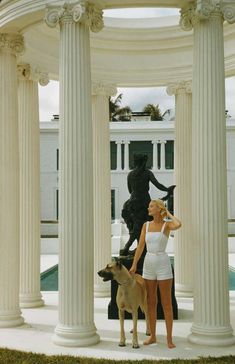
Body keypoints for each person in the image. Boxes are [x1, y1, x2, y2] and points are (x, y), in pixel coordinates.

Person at [129, 199, 181, 348]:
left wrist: (168, 212)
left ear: (159, 208)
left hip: (163, 263)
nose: (148, 208)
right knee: (151, 302)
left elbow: (179, 224)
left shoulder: (167, 225)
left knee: (166, 303)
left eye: (151, 206)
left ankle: (169, 339)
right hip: (149, 263)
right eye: (149, 206)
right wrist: (134, 265)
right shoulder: (146, 225)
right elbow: (140, 247)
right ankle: (152, 336)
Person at [120, 154, 175, 256]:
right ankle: (127, 248)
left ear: (136, 162)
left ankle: (137, 248)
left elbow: (129, 190)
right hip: (144, 201)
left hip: (132, 202)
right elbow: (158, 185)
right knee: (141, 226)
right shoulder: (147, 173)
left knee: (137, 227)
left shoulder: (130, 174)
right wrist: (168, 189)